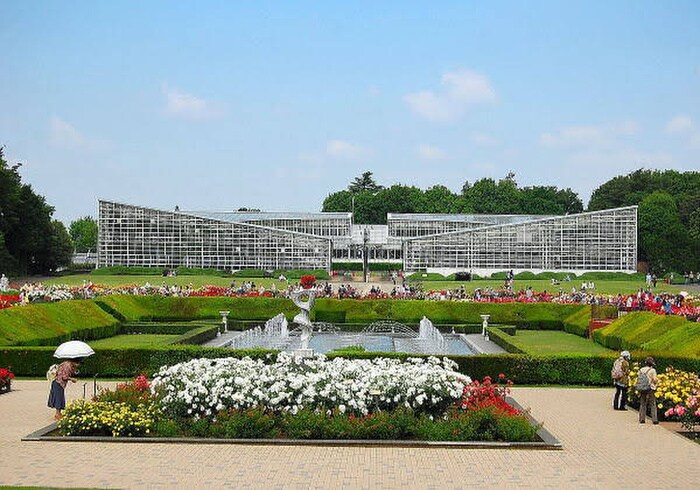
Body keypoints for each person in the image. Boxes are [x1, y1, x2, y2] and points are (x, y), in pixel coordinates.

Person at [637, 356, 659, 424]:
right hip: (650, 388)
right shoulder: (652, 370)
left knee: (643, 403)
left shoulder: (641, 369)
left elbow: (638, 378)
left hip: (642, 387)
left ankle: (642, 419)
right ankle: (654, 419)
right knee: (652, 403)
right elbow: (655, 380)